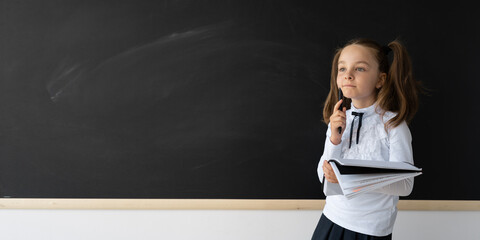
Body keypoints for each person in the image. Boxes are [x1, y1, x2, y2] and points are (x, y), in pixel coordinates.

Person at [312, 38, 421, 240]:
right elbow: (324, 179)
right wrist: (334, 140)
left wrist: (350, 178)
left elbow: (405, 185)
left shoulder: (393, 124)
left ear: (380, 79)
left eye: (360, 69)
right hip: (331, 221)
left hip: (370, 229)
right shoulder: (338, 119)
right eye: (342, 69)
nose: (348, 75)